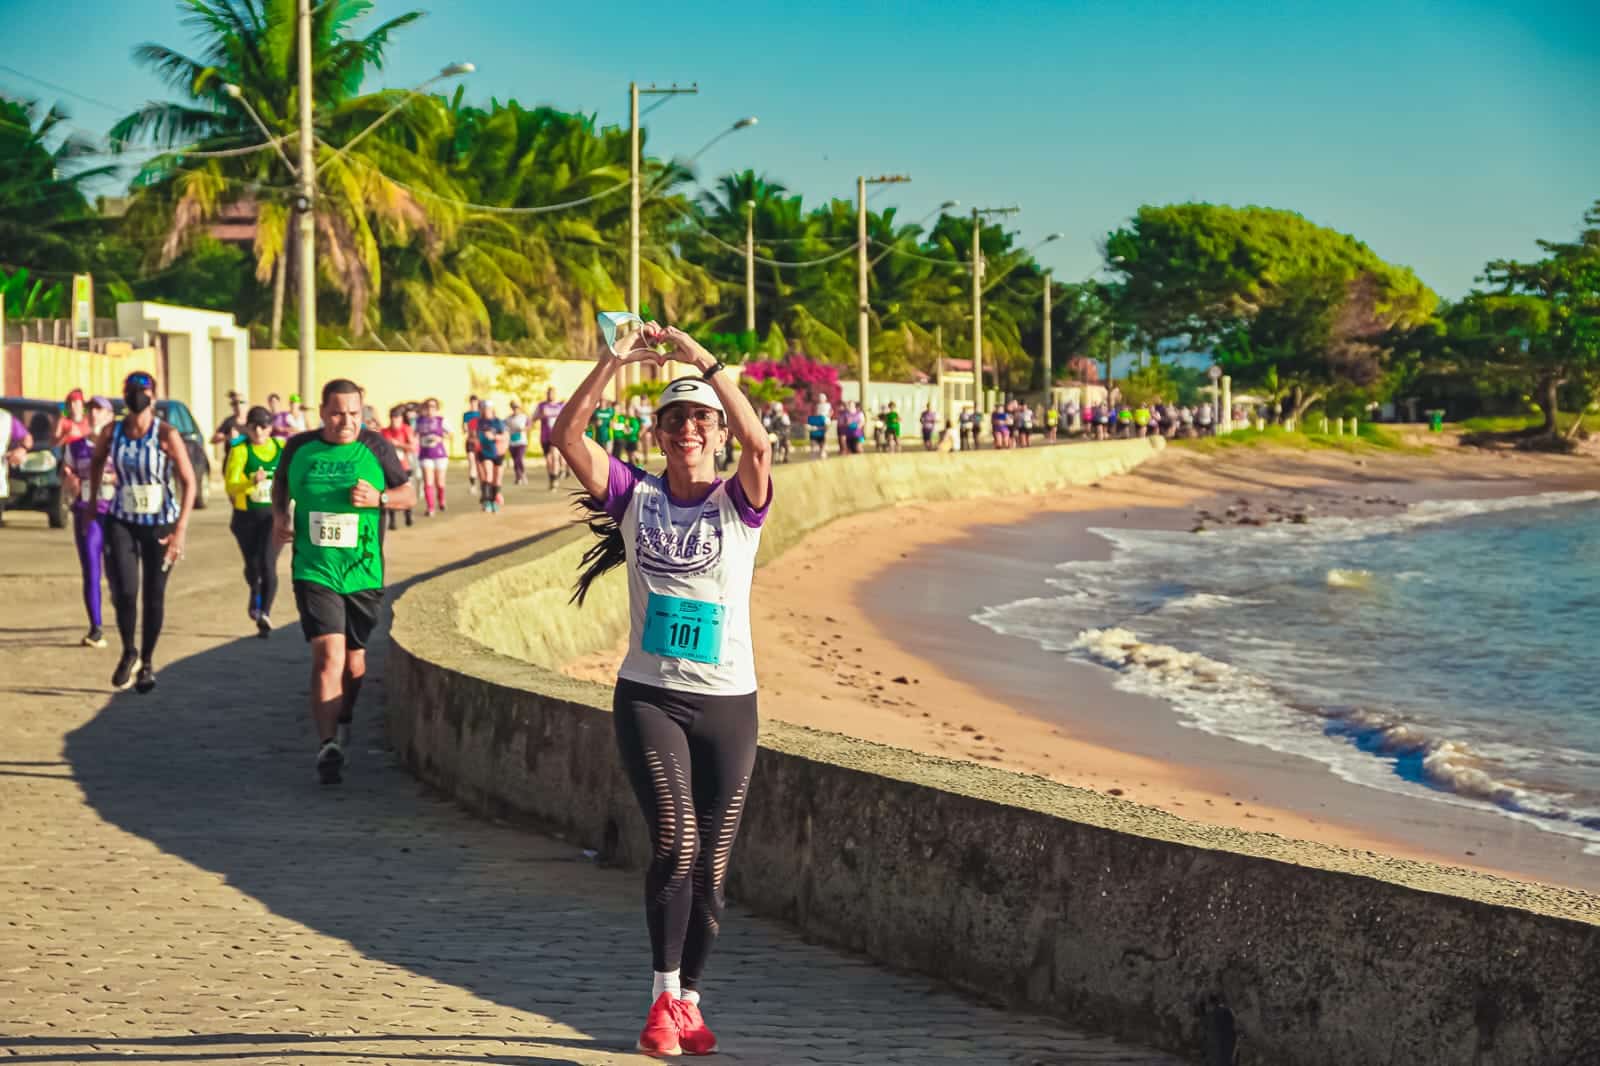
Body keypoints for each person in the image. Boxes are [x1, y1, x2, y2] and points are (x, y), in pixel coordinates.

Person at [553, 321, 771, 1059]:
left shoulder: (740, 504)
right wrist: (613, 360)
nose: (688, 429)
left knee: (711, 874)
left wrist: (706, 365)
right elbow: (567, 435)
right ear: (659, 432)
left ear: (715, 434)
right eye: (675, 418)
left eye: (700, 419)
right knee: (675, 846)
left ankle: (691, 1003)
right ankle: (659, 1001)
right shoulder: (633, 497)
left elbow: (761, 444)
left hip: (729, 704)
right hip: (651, 697)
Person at [273, 379, 415, 785]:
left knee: (354, 661)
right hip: (314, 570)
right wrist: (280, 517)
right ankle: (328, 744)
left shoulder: (375, 447)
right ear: (322, 412)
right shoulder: (299, 447)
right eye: (337, 413)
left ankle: (345, 712)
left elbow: (409, 494)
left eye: (354, 414)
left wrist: (380, 500)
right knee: (328, 656)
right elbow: (281, 483)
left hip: (364, 571)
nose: (346, 422)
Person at [88, 370, 197, 693]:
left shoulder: (166, 434)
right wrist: (94, 500)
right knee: (124, 590)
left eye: (142, 389)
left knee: (153, 593)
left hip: (160, 523)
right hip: (123, 519)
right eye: (131, 389)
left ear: (153, 395)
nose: (136, 395)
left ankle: (147, 662)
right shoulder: (112, 432)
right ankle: (128, 650)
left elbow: (188, 482)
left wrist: (181, 530)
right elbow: (96, 462)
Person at [60, 396, 116, 648]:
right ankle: (96, 628)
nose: (94, 414)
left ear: (110, 417)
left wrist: (112, 479)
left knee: (118, 572)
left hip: (116, 516)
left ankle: (124, 610)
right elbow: (66, 473)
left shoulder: (118, 447)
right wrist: (69, 480)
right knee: (91, 569)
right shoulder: (75, 447)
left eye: (100, 410)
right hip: (87, 513)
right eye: (91, 409)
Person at [223, 406, 284, 637]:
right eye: (254, 426)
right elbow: (231, 485)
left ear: (271, 427)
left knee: (268, 563)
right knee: (253, 566)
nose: (259, 431)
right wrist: (251, 481)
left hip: (272, 517)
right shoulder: (240, 451)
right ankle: (255, 592)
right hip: (246, 518)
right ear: (247, 428)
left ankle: (265, 613)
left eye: (264, 426)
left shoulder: (280, 447)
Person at [381, 406, 417, 529]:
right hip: (389, 468)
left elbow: (413, 447)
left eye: (397, 418)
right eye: (392, 418)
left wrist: (398, 444)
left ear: (401, 419)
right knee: (390, 492)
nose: (394, 421)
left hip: (404, 466)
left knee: (406, 491)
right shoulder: (384, 432)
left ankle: (408, 514)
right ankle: (392, 520)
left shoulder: (406, 430)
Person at [414, 397, 451, 516]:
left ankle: (441, 500)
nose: (430, 409)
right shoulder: (419, 421)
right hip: (425, 454)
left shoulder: (441, 420)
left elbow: (450, 434)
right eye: (428, 406)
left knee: (440, 482)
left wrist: (440, 438)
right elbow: (414, 435)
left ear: (437, 408)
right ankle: (430, 507)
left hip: (439, 454)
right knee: (428, 482)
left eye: (433, 407)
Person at [475, 399, 509, 513]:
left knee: (497, 479)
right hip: (485, 452)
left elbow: (505, 436)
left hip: (498, 452)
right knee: (488, 476)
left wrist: (494, 437)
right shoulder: (479, 422)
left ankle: (494, 500)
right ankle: (487, 500)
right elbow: (475, 436)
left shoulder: (498, 422)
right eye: (484, 409)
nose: (486, 411)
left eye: (488, 409)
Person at [536, 388, 566, 489]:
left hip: (556, 435)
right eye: (548, 393)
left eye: (552, 393)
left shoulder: (560, 406)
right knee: (548, 460)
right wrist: (541, 415)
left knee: (555, 457)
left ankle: (555, 479)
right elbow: (534, 418)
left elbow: (567, 418)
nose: (550, 395)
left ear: (555, 394)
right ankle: (552, 477)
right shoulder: (541, 406)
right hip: (545, 436)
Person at [211, 391, 247, 469]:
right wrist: (227, 436)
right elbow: (213, 440)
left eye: (241, 402)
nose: (238, 405)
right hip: (231, 463)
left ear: (246, 404)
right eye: (234, 403)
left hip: (248, 462)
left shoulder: (252, 421)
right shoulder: (228, 421)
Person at [506, 401, 530, 485]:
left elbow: (529, 426)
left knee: (519, 458)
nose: (515, 409)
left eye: (516, 408)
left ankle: (523, 473)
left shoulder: (524, 417)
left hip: (521, 442)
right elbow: (504, 427)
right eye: (513, 408)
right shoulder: (508, 419)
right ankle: (518, 477)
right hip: (512, 442)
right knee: (515, 460)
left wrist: (523, 429)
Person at [462, 395, 482, 490]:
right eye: (471, 402)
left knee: (480, 464)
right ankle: (473, 485)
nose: (473, 404)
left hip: (481, 442)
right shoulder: (466, 415)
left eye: (475, 402)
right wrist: (465, 428)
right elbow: (464, 428)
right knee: (472, 462)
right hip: (470, 441)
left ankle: (483, 483)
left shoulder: (482, 414)